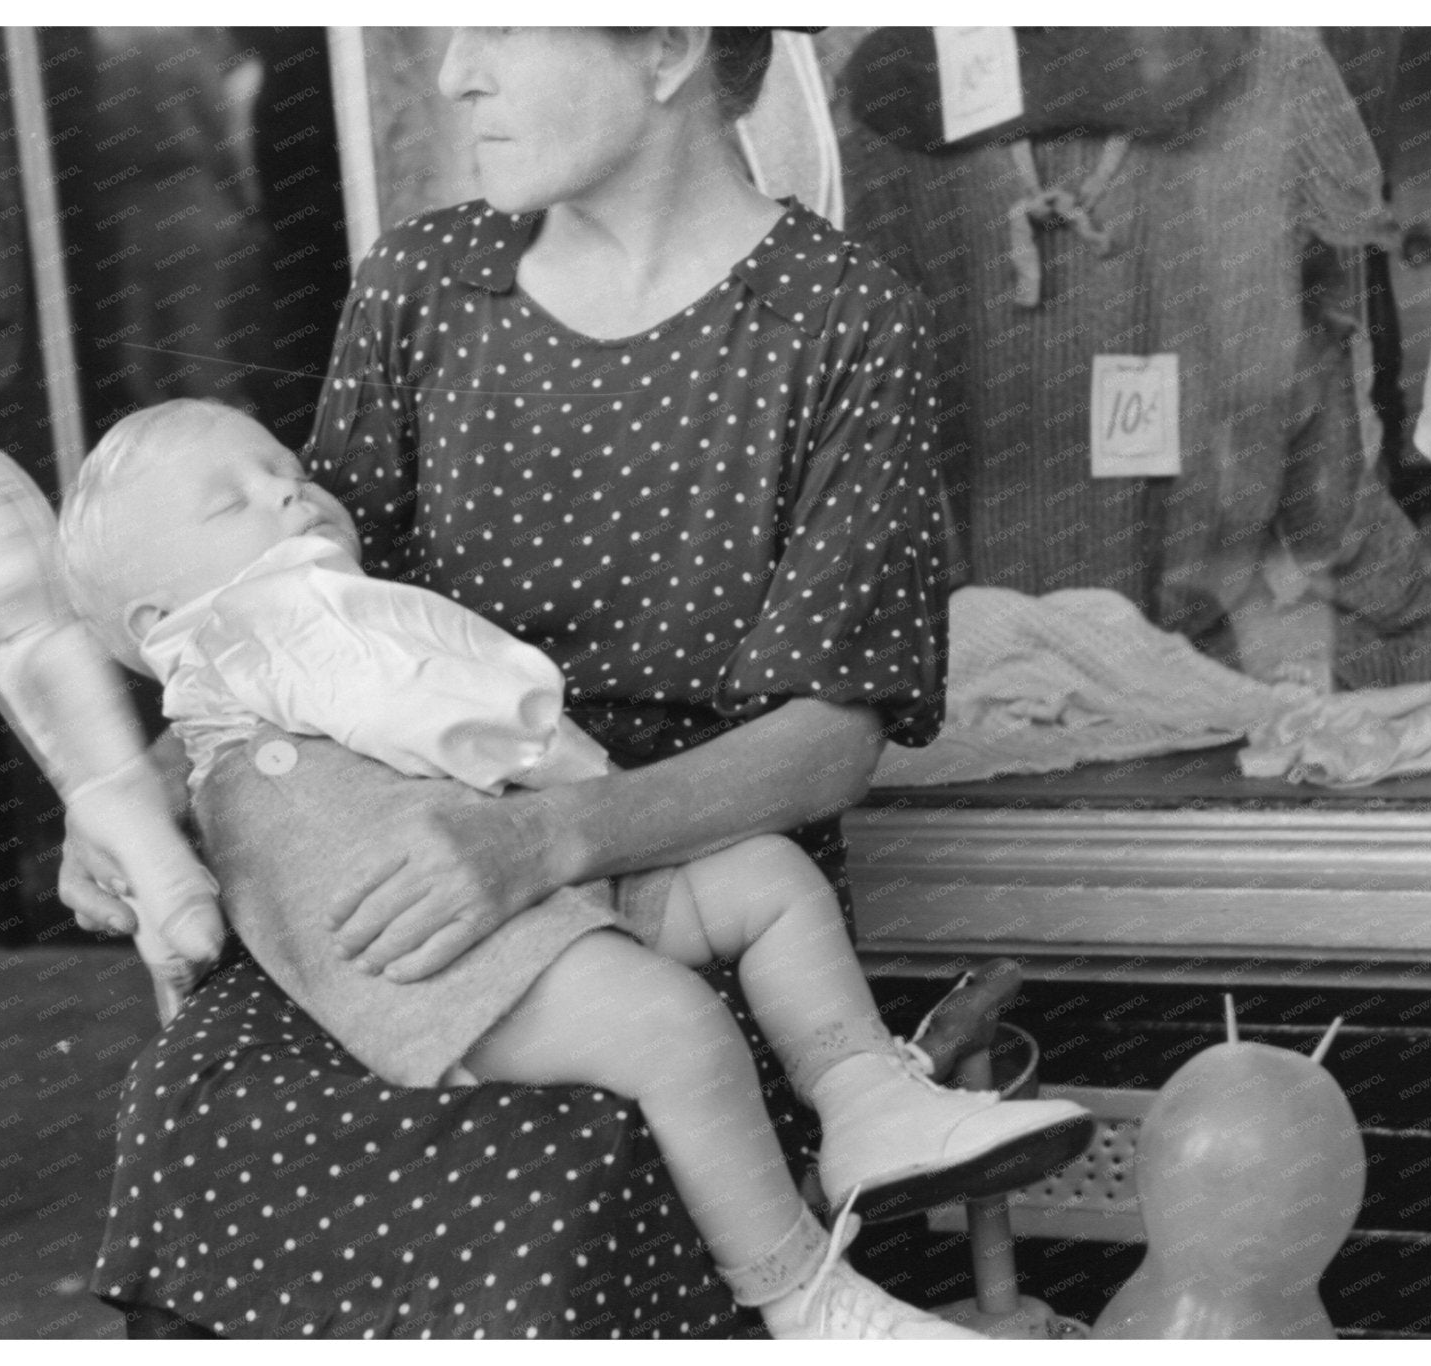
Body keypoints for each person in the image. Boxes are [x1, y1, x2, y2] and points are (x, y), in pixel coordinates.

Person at [64, 28, 997, 1339]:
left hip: (688, 867)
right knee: (197, 1098)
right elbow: (289, 616)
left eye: (497, 26)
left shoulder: (844, 322)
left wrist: (540, 836)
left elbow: (829, 739)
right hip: (386, 864)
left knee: (559, 1159)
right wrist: (138, 798)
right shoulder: (425, 283)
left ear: (667, 44)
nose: (455, 75)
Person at [57, 397, 1091, 1338]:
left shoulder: (285, 632)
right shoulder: (266, 620)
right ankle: (802, 1294)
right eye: (229, 500)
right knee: (670, 1028)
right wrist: (544, 748)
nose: (287, 487)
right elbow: (438, 709)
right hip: (431, 948)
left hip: (531, 876)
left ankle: (864, 1096)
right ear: (162, 623)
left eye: (283, 465)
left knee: (763, 875)